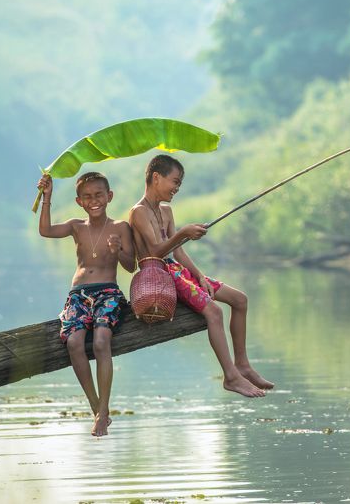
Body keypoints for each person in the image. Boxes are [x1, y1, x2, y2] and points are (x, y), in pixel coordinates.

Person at [129, 154, 273, 398]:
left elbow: (178, 252)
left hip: (178, 271)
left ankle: (243, 364)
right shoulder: (138, 212)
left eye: (179, 184)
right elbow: (155, 251)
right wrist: (183, 232)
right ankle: (230, 376)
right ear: (156, 177)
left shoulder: (166, 210)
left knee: (240, 300)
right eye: (174, 182)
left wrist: (200, 275)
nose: (176, 188)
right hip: (159, 275)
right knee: (214, 312)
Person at [37, 171, 136, 436]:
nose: (94, 201)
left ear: (109, 196)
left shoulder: (120, 227)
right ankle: (97, 409)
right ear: (80, 201)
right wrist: (47, 197)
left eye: (99, 195)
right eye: (88, 197)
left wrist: (119, 251)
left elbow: (131, 265)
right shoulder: (75, 226)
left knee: (102, 341)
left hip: (108, 293)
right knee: (74, 343)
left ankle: (103, 411)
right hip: (79, 294)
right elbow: (45, 231)